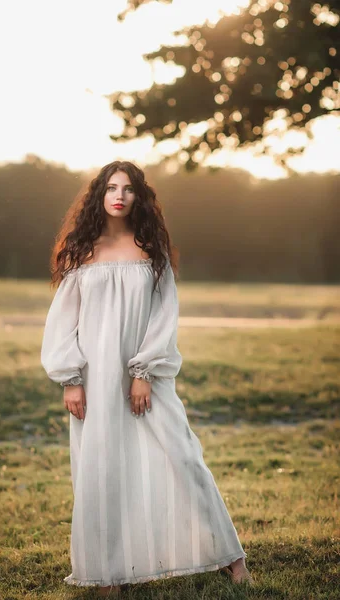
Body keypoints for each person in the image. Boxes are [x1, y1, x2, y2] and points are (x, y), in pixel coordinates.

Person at [40, 160, 254, 596]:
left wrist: (144, 372)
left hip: (146, 380)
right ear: (99, 195)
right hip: (95, 379)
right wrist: (70, 378)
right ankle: (107, 574)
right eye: (111, 187)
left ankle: (233, 559)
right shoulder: (82, 253)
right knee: (102, 469)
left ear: (140, 197)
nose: (119, 195)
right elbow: (63, 322)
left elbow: (163, 318)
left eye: (129, 188)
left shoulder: (150, 252)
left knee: (184, 456)